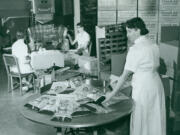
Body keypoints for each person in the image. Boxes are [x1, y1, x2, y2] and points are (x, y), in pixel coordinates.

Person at [104, 17, 166, 135]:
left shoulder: (135, 49)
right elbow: (146, 68)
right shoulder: (153, 44)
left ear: (137, 30)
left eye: (129, 31)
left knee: (141, 119)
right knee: (154, 118)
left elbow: (124, 75)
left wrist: (111, 95)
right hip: (156, 85)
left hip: (143, 89)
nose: (127, 35)